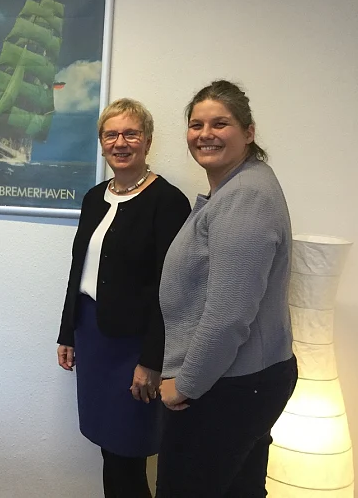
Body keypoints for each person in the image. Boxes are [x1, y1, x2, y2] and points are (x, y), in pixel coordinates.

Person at [156, 80, 297, 497]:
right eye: (196, 124)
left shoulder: (246, 197)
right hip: (242, 380)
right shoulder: (238, 187)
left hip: (226, 386)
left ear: (248, 132)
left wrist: (186, 384)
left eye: (220, 123)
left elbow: (229, 315)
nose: (205, 134)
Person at [57, 99, 190, 498]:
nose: (120, 142)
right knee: (108, 449)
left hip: (134, 348)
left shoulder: (168, 202)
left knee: (128, 454)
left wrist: (152, 361)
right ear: (101, 143)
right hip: (93, 339)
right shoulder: (94, 198)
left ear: (147, 141)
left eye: (130, 133)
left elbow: (173, 291)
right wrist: (67, 333)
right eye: (111, 134)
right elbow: (78, 270)